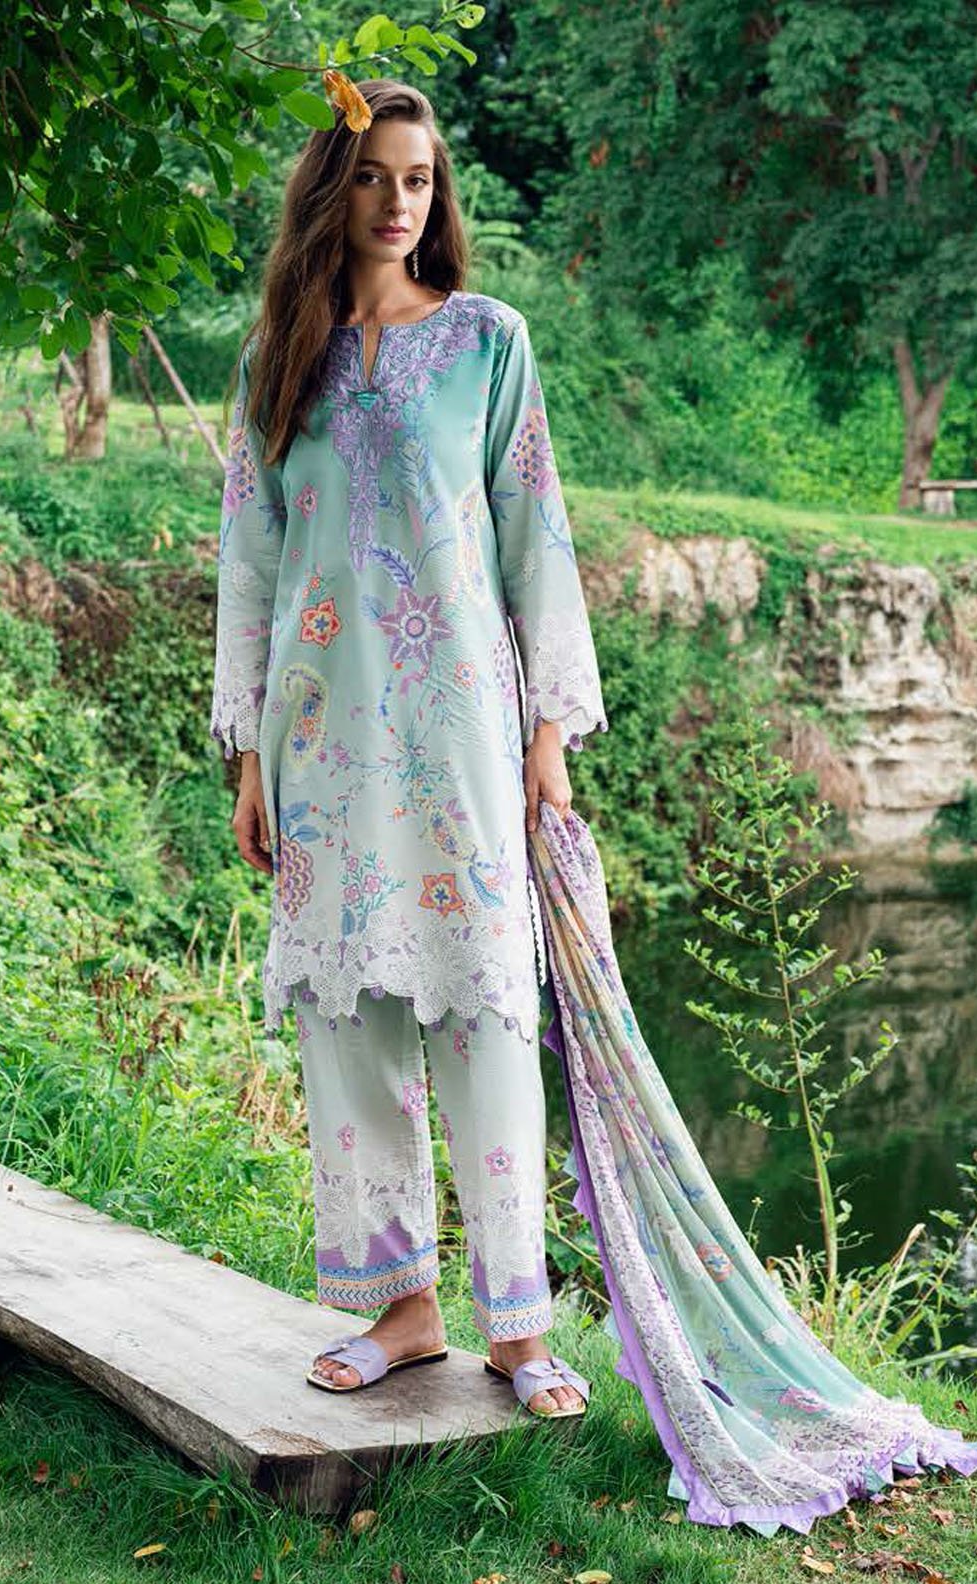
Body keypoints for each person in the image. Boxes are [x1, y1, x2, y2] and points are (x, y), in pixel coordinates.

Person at [209, 78, 607, 1418]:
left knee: (486, 1014)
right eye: (375, 175)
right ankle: (403, 1310)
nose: (398, 202)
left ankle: (518, 1325)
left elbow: (534, 536)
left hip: (462, 739)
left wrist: (547, 738)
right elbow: (251, 564)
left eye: (419, 178)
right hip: (320, 744)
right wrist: (250, 756)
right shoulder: (279, 359)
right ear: (334, 189)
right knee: (348, 1020)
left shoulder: (488, 343)